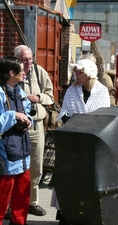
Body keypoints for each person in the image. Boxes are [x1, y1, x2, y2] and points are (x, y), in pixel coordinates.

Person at [53, 58, 110, 224]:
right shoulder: (72, 90)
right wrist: (75, 121)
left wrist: (84, 122)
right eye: (75, 72)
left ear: (89, 74)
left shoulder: (102, 91)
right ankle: (66, 213)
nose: (76, 75)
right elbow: (64, 113)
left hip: (92, 145)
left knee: (88, 180)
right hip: (73, 143)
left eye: (80, 72)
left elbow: (104, 116)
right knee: (69, 178)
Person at [14, 45, 54, 216]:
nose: (29, 62)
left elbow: (50, 96)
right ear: (17, 59)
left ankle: (33, 202)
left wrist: (38, 98)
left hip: (37, 126)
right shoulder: (10, 73)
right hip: (15, 129)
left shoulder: (39, 72)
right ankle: (12, 204)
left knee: (36, 166)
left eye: (30, 58)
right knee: (13, 167)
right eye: (25, 59)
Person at [0, 56, 33, 225]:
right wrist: (13, 116)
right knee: (1, 200)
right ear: (11, 73)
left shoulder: (19, 91)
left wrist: (28, 121)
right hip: (5, 156)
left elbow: (27, 112)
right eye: (21, 70)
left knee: (22, 199)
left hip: (22, 154)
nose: (25, 73)